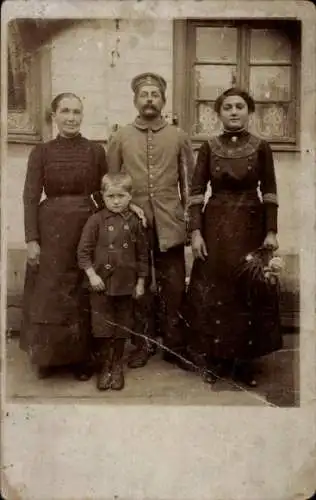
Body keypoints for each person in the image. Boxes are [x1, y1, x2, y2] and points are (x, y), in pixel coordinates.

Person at [184, 87, 283, 387]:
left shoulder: (261, 147)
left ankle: (244, 362)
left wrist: (271, 230)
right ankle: (216, 358)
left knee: (247, 292)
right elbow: (197, 193)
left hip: (251, 226)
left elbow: (269, 191)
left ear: (249, 111)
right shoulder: (209, 147)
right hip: (216, 228)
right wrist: (196, 232)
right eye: (227, 107)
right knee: (217, 293)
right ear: (219, 113)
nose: (234, 112)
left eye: (240, 106)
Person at [106, 72, 195, 369]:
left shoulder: (178, 137)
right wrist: (127, 210)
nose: (149, 99)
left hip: (170, 222)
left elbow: (189, 185)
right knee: (139, 287)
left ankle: (175, 346)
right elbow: (112, 181)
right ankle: (142, 344)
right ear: (135, 100)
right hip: (134, 224)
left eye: (154, 94)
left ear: (163, 100)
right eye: (143, 94)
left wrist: (189, 221)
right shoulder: (120, 137)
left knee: (173, 287)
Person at [20, 92, 109, 380]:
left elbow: (105, 192)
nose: (71, 117)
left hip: (86, 227)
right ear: (54, 116)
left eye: (77, 112)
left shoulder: (96, 151)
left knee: (82, 290)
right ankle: (48, 357)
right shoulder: (41, 152)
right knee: (51, 292)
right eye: (65, 111)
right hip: (51, 230)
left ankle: (81, 359)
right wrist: (32, 239)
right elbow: (30, 196)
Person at [77, 172, 148, 391]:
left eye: (121, 196)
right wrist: (92, 275)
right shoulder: (95, 220)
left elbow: (143, 255)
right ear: (103, 197)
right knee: (102, 327)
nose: (116, 201)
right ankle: (105, 366)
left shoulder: (136, 222)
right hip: (101, 286)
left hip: (125, 286)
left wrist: (141, 282)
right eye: (110, 196)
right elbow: (83, 251)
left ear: (130, 196)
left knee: (122, 328)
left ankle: (117, 365)